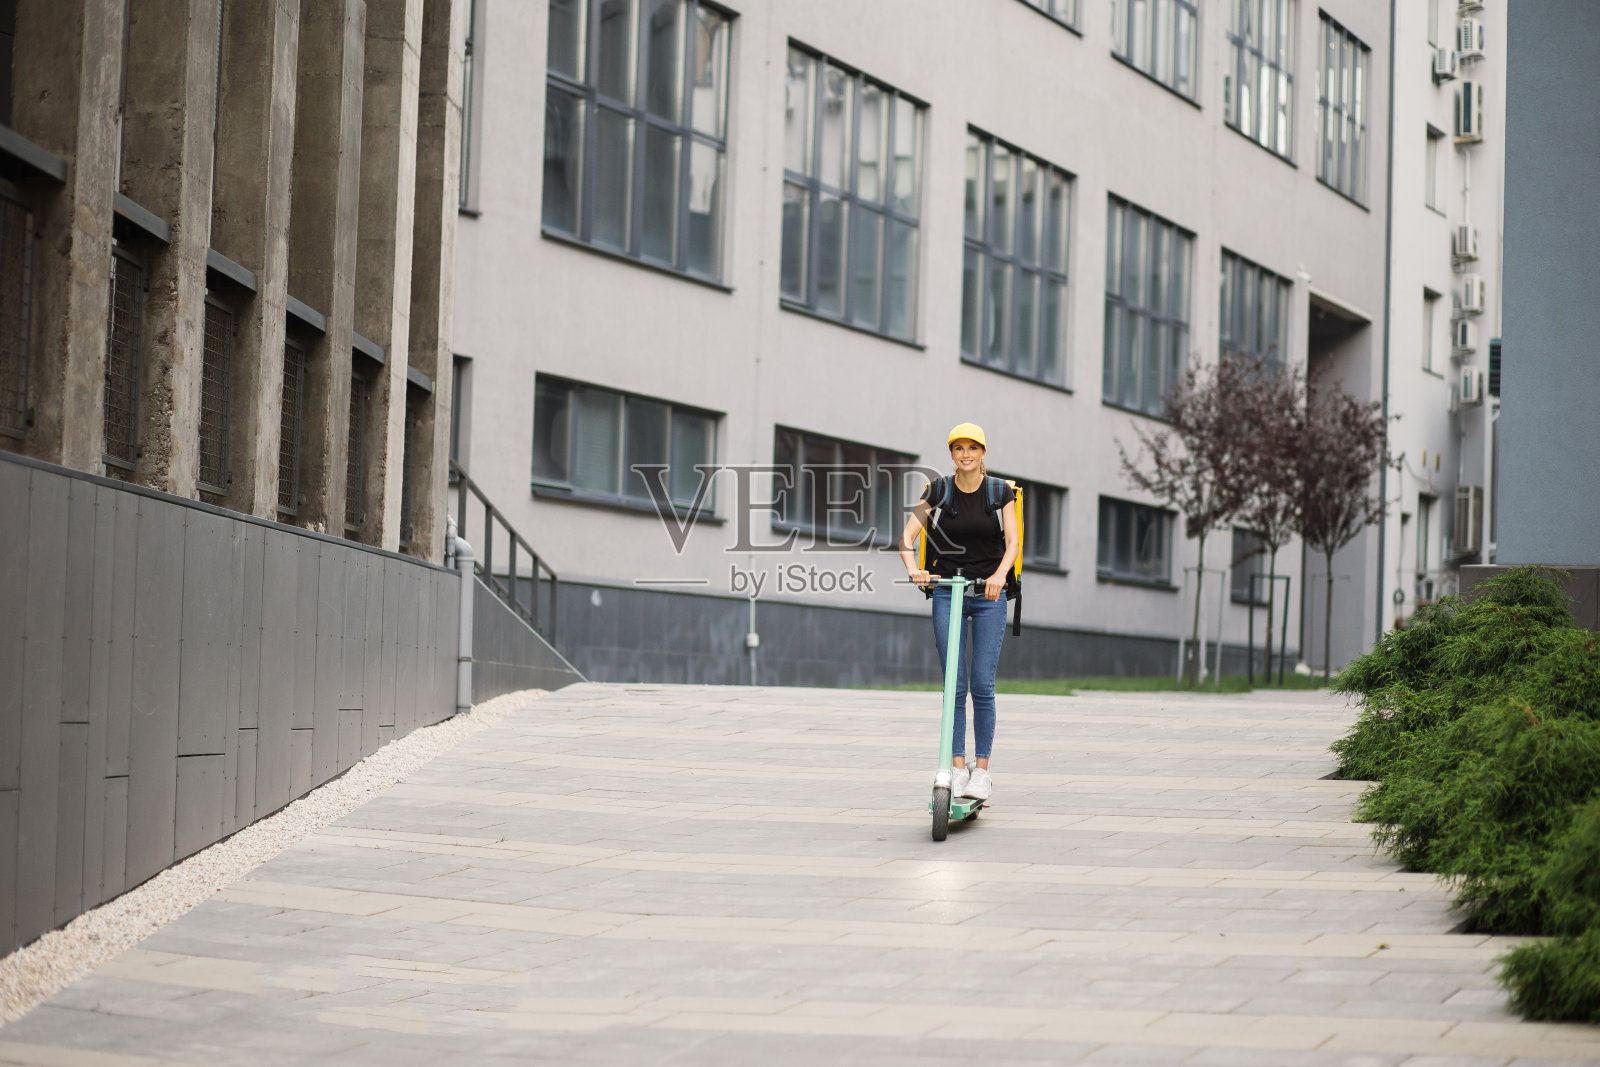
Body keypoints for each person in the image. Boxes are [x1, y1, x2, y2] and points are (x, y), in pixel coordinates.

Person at [898, 422, 1019, 802]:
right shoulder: (938, 490)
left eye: (972, 448)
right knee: (955, 684)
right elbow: (905, 540)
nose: (965, 454)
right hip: (949, 591)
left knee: (982, 684)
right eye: (958, 448)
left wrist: (999, 576)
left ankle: (981, 772)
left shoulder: (1000, 492)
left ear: (983, 453)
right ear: (951, 454)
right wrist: (914, 570)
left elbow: (1013, 542)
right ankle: (956, 764)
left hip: (988, 593)